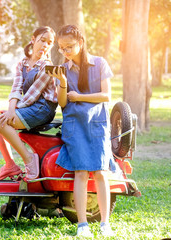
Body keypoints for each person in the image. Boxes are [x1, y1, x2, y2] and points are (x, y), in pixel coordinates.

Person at [48, 24, 116, 237]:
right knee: (81, 173)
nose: (65, 52)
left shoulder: (100, 63)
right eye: (61, 48)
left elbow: (106, 96)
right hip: (75, 125)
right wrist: (63, 83)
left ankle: (105, 223)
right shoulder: (63, 69)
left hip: (97, 124)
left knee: (101, 173)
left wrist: (79, 96)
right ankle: (82, 224)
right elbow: (62, 103)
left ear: (81, 43)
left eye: (69, 47)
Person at [0, 26, 58, 180]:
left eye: (50, 43)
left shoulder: (47, 66)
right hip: (29, 105)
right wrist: (11, 109)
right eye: (42, 40)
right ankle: (10, 165)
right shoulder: (22, 64)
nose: (45, 45)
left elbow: (33, 93)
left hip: (43, 108)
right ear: (33, 40)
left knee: (2, 123)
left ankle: (29, 159)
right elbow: (16, 88)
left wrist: (13, 112)